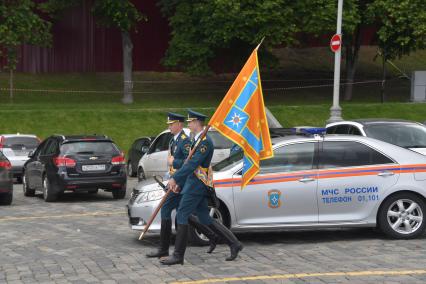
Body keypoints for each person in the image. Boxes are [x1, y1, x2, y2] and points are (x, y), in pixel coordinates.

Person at [160, 110, 243, 266]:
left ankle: (178, 255)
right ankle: (235, 243)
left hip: (197, 185)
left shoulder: (205, 142)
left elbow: (192, 164)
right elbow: (188, 163)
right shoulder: (197, 139)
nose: (188, 124)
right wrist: (178, 177)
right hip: (194, 184)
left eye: (190, 121)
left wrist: (175, 178)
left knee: (182, 214)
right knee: (204, 218)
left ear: (197, 122)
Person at [146, 112, 220, 259]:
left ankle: (176, 253)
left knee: (186, 214)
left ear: (178, 124)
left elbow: (188, 164)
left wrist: (176, 173)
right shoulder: (174, 141)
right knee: (181, 212)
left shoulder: (186, 141)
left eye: (171, 124)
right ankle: (165, 249)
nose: (169, 126)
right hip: (179, 181)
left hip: (185, 182)